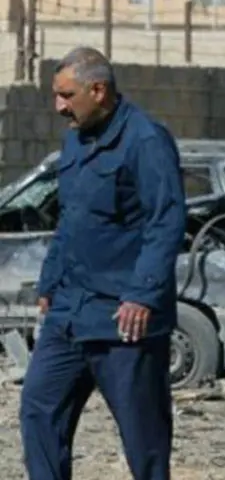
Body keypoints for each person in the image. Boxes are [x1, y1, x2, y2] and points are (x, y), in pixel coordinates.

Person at [19, 46, 187, 480]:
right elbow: (70, 218)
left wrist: (142, 295)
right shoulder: (75, 138)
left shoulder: (146, 140)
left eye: (66, 95)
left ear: (98, 90)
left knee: (143, 439)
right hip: (70, 311)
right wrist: (49, 283)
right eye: (55, 95)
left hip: (123, 315)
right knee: (39, 407)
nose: (58, 107)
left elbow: (165, 221)